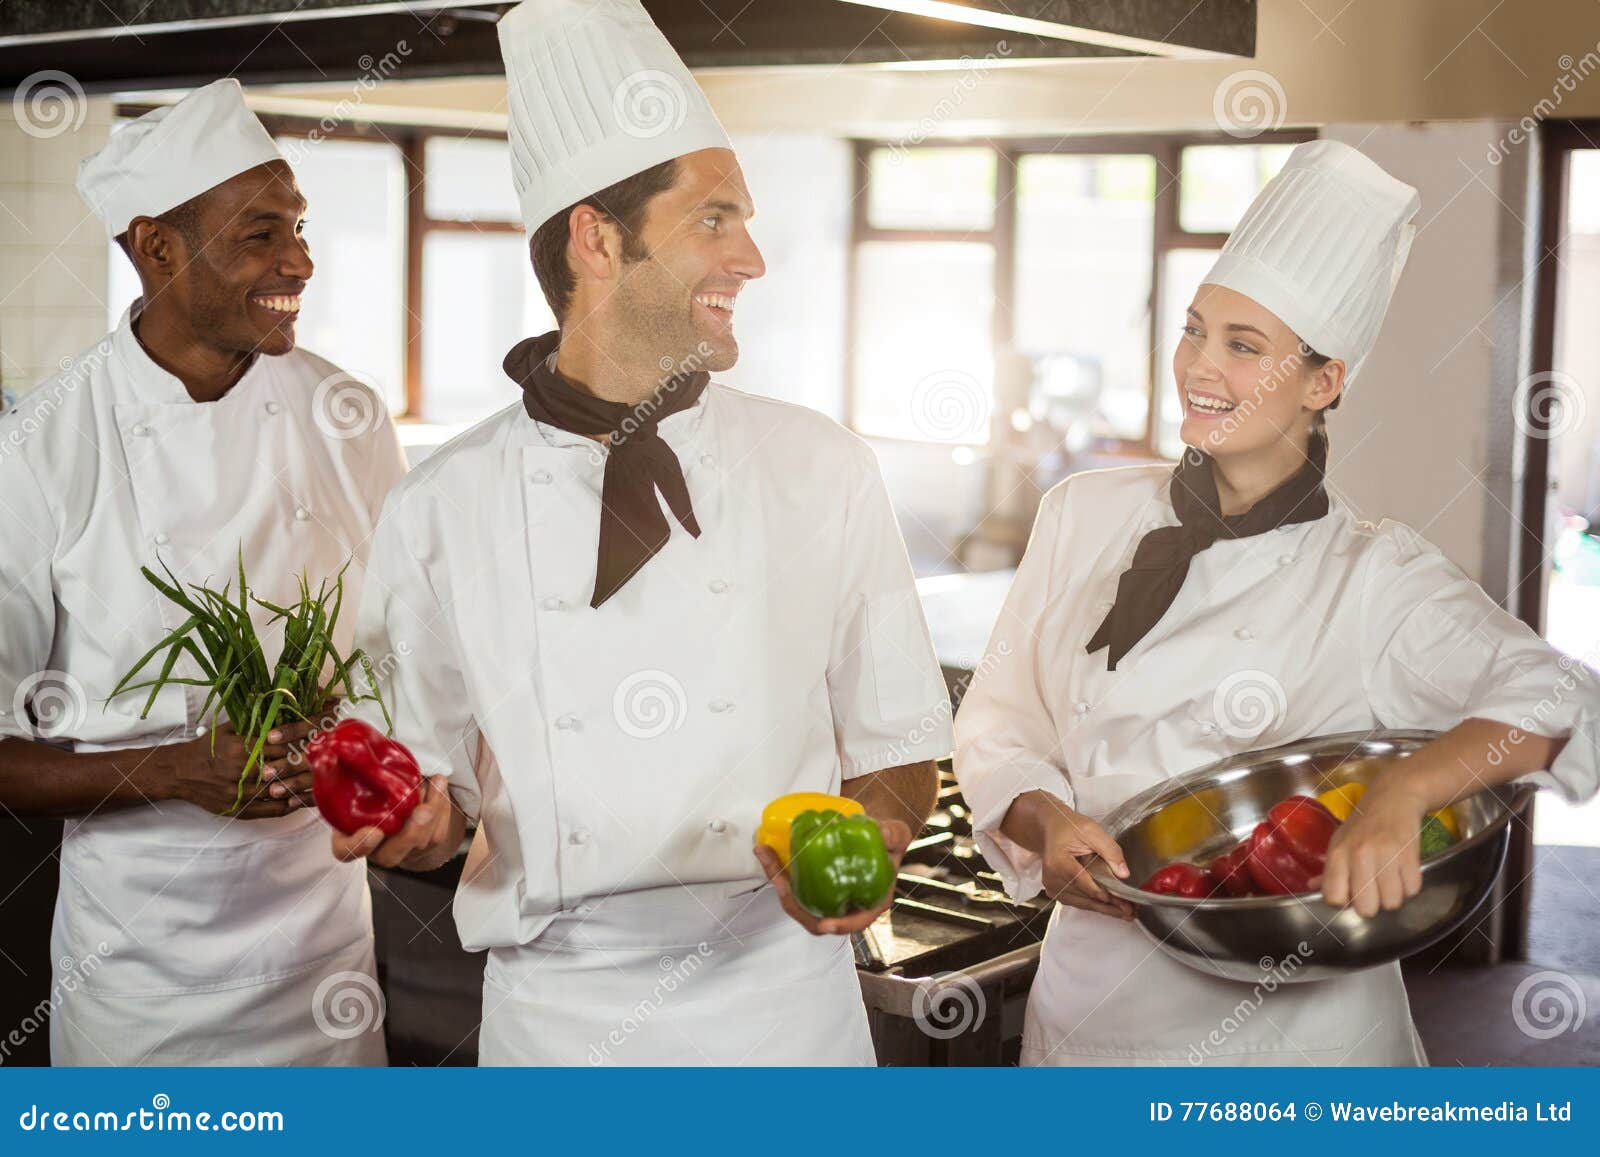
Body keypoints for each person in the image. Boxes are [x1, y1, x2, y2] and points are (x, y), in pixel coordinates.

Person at [331, 0, 951, 1066]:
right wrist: (414, 832)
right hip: (561, 1030)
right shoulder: (440, 505)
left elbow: (897, 743)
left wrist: (876, 842)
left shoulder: (822, 466)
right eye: (714, 219)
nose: (750, 256)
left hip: (788, 1018)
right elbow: (429, 796)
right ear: (596, 237)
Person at [953, 139, 1599, 1067]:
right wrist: (1045, 819)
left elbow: (1559, 698)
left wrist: (1405, 788)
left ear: (1323, 382)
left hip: (1294, 1046)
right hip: (1089, 1016)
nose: (1197, 368)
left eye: (1243, 346)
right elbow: (999, 725)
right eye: (1194, 329)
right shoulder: (1080, 513)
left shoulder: (1374, 573)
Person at [0, 79, 407, 1065]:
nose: (300, 260)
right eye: (262, 234)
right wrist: (173, 769)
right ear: (157, 249)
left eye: (300, 227)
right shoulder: (44, 446)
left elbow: (408, 656)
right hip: (141, 981)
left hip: (324, 963)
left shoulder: (345, 417)